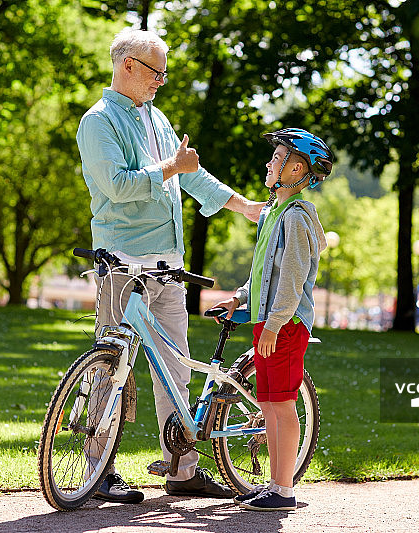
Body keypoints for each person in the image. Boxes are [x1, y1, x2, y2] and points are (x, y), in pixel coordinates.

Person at [76, 28, 264, 504]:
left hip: (168, 267)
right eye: (156, 72)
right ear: (128, 67)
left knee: (175, 368)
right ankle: (98, 471)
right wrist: (170, 170)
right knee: (111, 367)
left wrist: (244, 207)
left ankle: (182, 470)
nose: (161, 81)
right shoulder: (98, 123)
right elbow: (117, 186)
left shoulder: (156, 118)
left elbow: (192, 174)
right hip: (122, 262)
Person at [212, 128, 333, 511]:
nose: (268, 163)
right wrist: (240, 298)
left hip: (286, 324)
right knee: (268, 403)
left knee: (281, 405)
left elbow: (293, 277)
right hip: (269, 322)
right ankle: (275, 486)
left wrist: (277, 323)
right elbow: (265, 271)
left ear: (295, 168)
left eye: (276, 158)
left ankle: (283, 490)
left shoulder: (296, 218)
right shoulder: (273, 214)